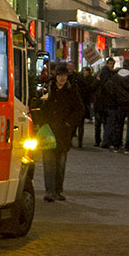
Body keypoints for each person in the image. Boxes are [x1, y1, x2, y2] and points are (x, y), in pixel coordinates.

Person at [36, 62, 84, 201]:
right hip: (48, 131)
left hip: (63, 133)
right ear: (55, 76)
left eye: (64, 75)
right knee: (48, 163)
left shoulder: (72, 90)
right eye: (60, 75)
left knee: (60, 164)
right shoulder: (47, 89)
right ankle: (49, 191)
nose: (62, 78)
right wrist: (42, 122)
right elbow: (37, 106)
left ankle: (58, 190)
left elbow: (80, 109)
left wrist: (69, 123)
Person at [94, 57, 117, 147]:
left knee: (100, 124)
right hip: (105, 104)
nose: (111, 66)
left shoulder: (101, 76)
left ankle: (99, 141)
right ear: (107, 64)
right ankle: (104, 141)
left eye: (112, 64)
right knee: (105, 124)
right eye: (110, 64)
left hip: (101, 104)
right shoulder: (110, 77)